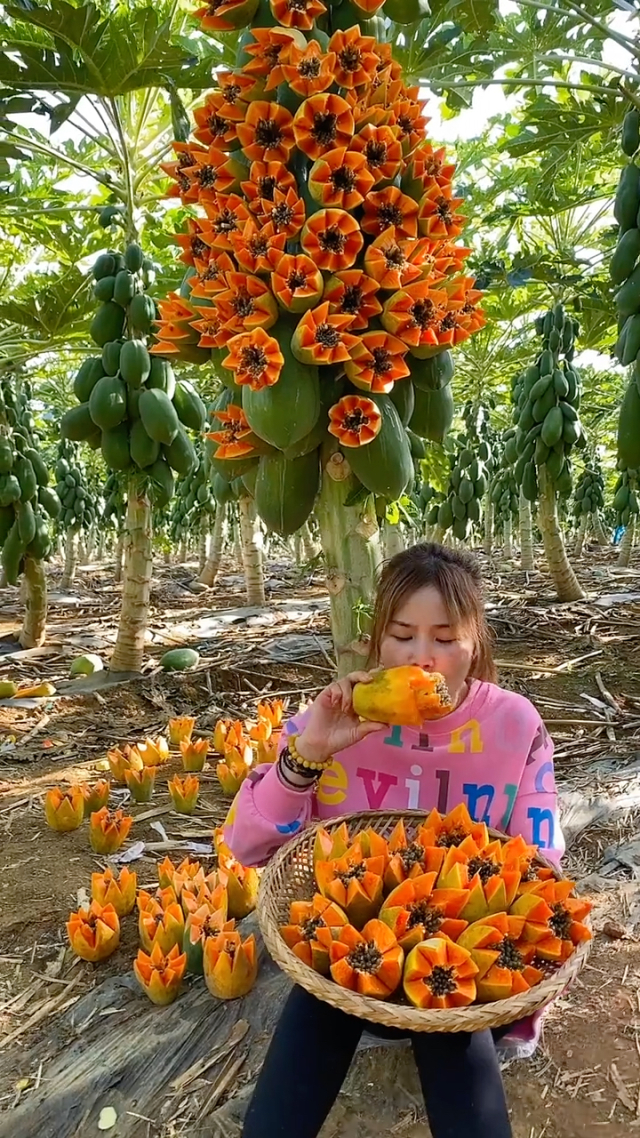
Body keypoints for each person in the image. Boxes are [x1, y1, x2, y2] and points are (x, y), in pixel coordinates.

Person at [225, 543, 564, 1138]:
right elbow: (248, 847)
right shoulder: (335, 717)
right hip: (348, 965)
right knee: (314, 1018)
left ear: (476, 643)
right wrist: (307, 755)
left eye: (445, 638)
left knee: (450, 1032)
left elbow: (540, 864)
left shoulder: (515, 725)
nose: (423, 658)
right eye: (403, 635)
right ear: (376, 641)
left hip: (459, 968)